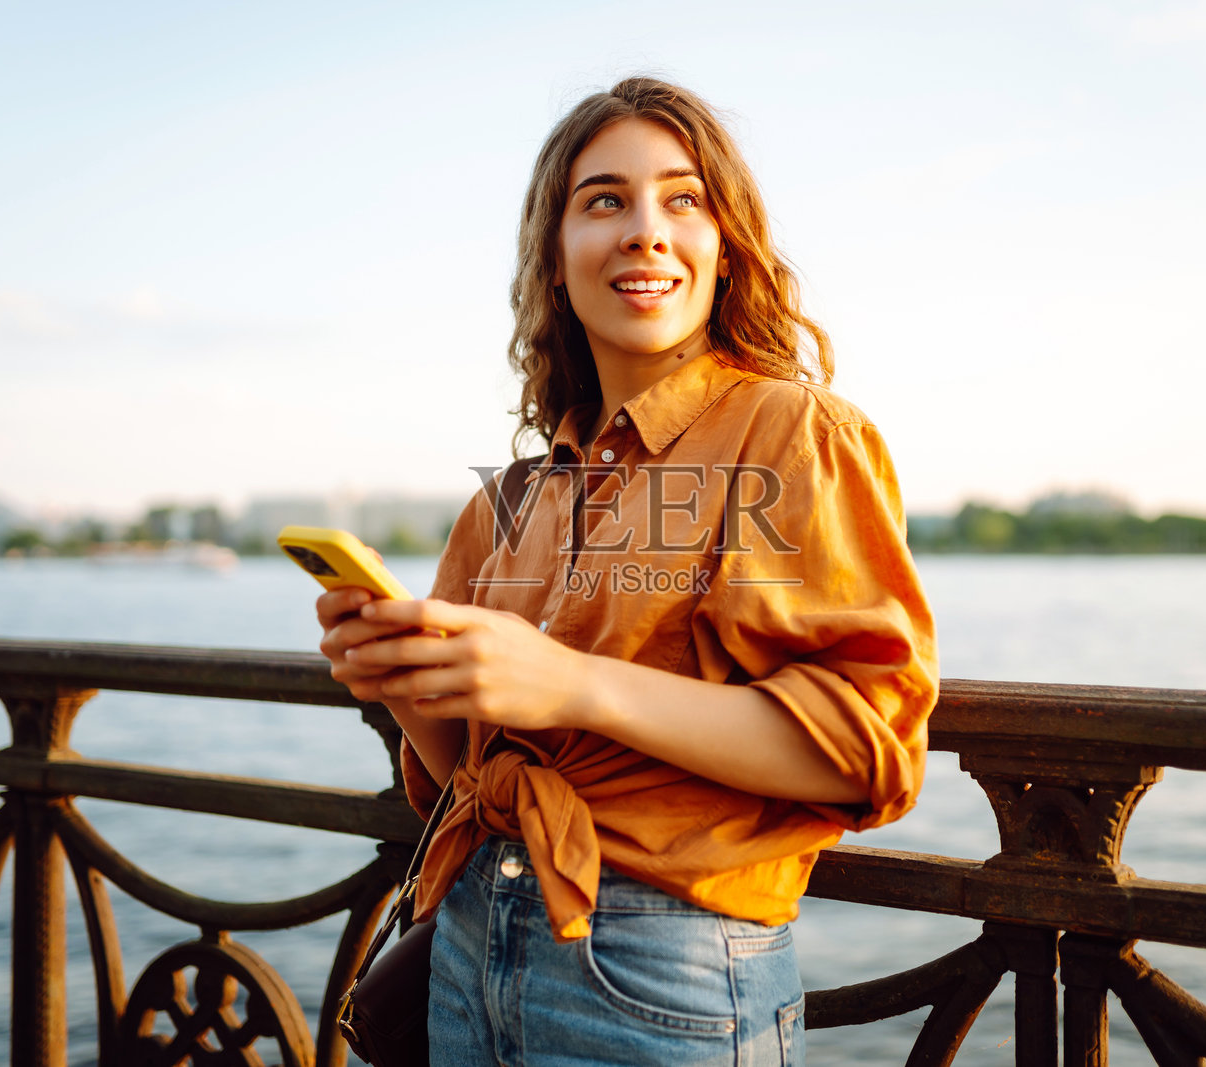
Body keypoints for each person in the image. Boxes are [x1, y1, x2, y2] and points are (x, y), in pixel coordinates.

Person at [317, 76, 937, 1066]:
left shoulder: (789, 431)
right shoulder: (509, 499)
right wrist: (397, 678)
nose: (645, 229)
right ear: (555, 261)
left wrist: (572, 682)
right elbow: (462, 778)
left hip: (664, 976)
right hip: (472, 941)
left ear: (725, 249)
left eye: (682, 198)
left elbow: (866, 745)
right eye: (603, 199)